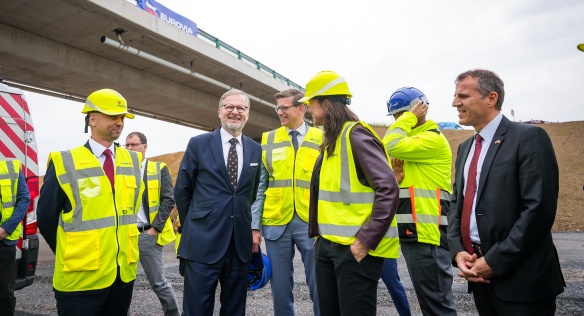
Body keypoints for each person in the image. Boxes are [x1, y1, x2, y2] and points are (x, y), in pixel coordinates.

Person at [448, 69, 565, 315]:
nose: (455, 102)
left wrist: (493, 261)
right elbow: (457, 203)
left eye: (463, 96)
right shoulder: (466, 147)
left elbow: (539, 210)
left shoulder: (529, 137)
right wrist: (458, 250)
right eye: (455, 96)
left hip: (523, 282)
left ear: (491, 98)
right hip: (478, 276)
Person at [37, 89, 144, 316]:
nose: (119, 122)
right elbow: (46, 217)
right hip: (81, 280)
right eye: (112, 116)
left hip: (122, 276)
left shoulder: (134, 161)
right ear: (92, 119)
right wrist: (72, 251)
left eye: (122, 117)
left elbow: (129, 212)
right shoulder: (65, 161)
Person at [303, 70, 400, 315]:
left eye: (311, 103)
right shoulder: (332, 139)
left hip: (354, 250)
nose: (308, 110)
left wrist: (365, 241)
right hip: (328, 246)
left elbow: (388, 189)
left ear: (326, 103)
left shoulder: (356, 135)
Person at [174, 89, 262, 316]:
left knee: (235, 310)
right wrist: (193, 225)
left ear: (247, 113)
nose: (235, 112)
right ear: (219, 111)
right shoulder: (199, 143)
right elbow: (183, 191)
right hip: (203, 243)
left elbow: (249, 194)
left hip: (239, 246)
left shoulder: (255, 149)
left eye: (240, 108)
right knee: (196, 309)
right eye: (229, 107)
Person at [382, 87, 456, 316]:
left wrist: (408, 118)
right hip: (414, 233)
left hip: (427, 235)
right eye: (396, 116)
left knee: (437, 306)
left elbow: (390, 143)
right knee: (430, 304)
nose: (398, 120)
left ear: (420, 109)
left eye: (403, 114)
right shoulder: (413, 144)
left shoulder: (431, 139)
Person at [251, 88, 321, 316]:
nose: (280, 112)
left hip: (311, 222)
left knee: (319, 283)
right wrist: (254, 226)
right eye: (278, 108)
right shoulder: (268, 139)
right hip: (275, 223)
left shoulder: (321, 138)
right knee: (280, 286)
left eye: (284, 107)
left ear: (302, 108)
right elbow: (260, 186)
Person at [125, 132, 180, 316]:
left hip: (146, 235)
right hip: (125, 235)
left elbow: (168, 199)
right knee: (122, 284)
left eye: (134, 145)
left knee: (158, 282)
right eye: (127, 145)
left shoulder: (158, 168)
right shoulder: (121, 170)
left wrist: (155, 228)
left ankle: (173, 314)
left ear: (145, 146)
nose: (130, 149)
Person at [0, 159, 30, 316]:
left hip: (4, 243)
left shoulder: (11, 167)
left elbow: (24, 199)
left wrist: (6, 228)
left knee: (5, 292)